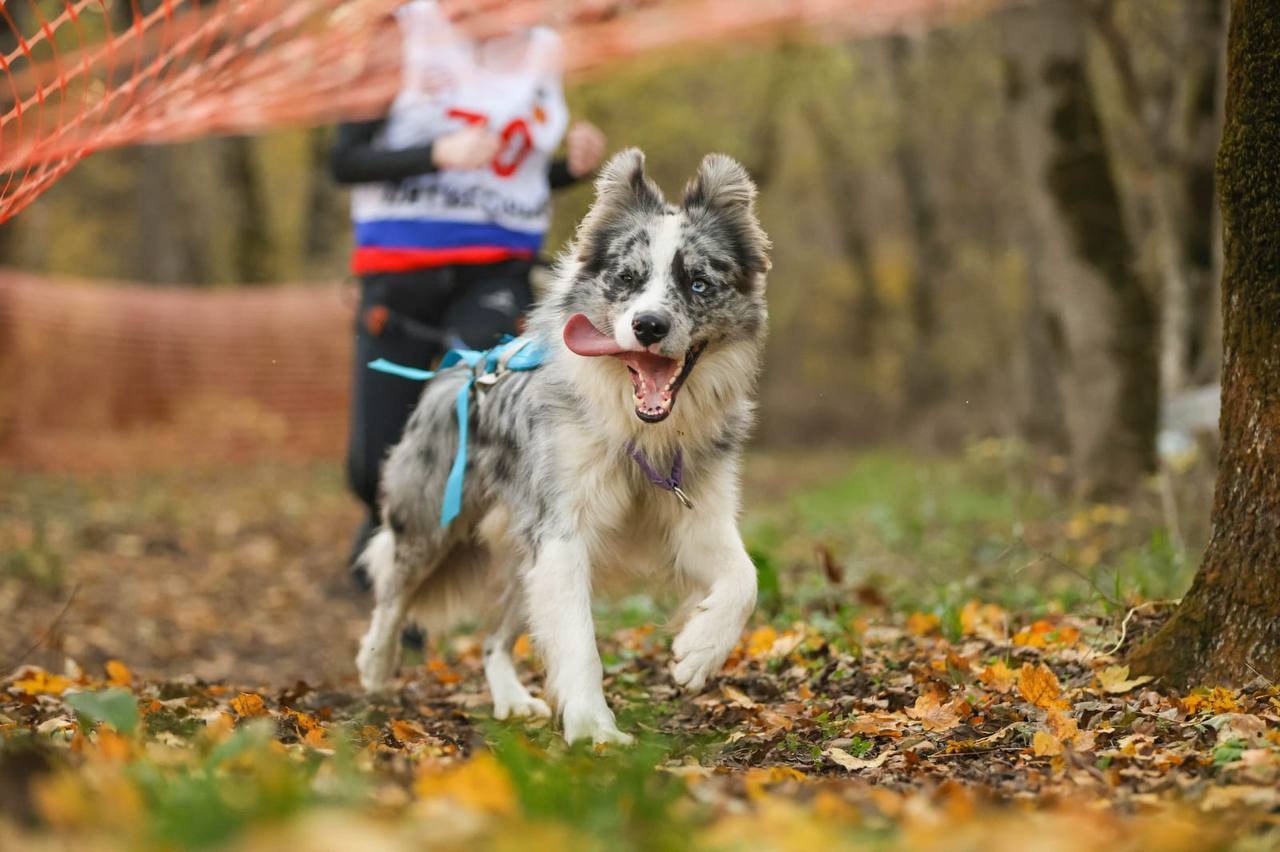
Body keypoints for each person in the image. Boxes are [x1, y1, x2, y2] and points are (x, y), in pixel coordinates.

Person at [332, 0, 606, 579]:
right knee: (370, 463)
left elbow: (516, 176)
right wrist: (437, 153)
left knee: (459, 410)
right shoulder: (399, 35)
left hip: (497, 273)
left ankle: (416, 571)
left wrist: (571, 169)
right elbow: (344, 160)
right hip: (399, 276)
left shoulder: (541, 49)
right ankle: (378, 521)